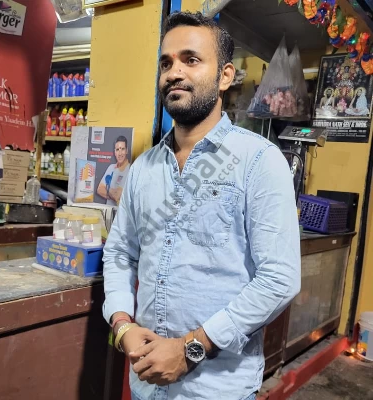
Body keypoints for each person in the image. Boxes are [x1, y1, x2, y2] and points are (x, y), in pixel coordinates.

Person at [103, 11, 301, 400]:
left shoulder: (258, 161)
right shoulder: (143, 169)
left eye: (190, 60)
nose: (174, 73)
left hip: (216, 389)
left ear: (225, 76)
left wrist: (192, 348)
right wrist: (122, 323)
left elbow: (279, 278)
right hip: (145, 383)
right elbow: (120, 252)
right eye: (166, 63)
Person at [97, 136, 130, 206]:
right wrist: (112, 193)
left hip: (120, 212)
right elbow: (99, 189)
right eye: (117, 150)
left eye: (122, 149)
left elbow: (117, 195)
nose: (120, 153)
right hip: (108, 211)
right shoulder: (111, 167)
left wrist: (107, 189)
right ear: (114, 152)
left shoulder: (130, 170)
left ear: (127, 150)